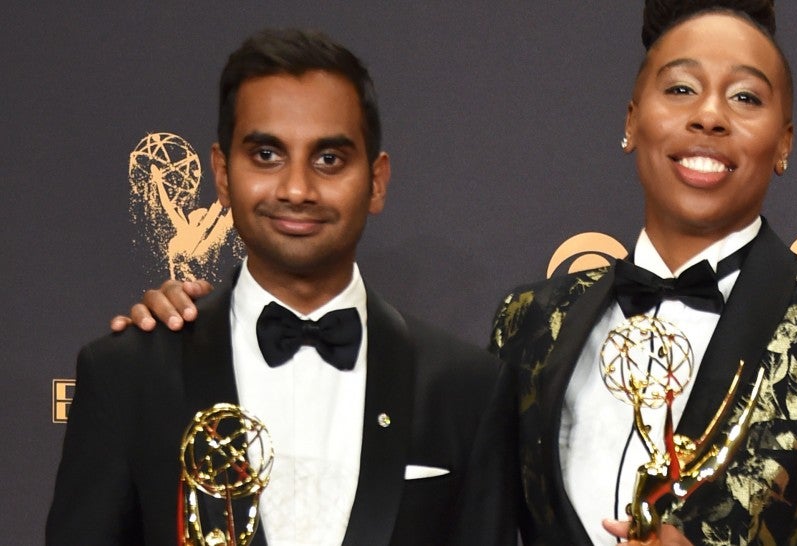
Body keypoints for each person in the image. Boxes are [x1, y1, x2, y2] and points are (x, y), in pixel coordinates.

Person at [115, 2, 797, 545]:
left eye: (747, 98)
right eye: (681, 88)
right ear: (632, 119)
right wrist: (196, 324)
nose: (708, 116)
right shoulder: (531, 323)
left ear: (786, 140)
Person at [48, 28, 518, 546]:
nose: (297, 189)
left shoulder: (466, 389)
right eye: (267, 155)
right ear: (222, 174)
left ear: (377, 181)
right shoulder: (127, 375)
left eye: (329, 159)